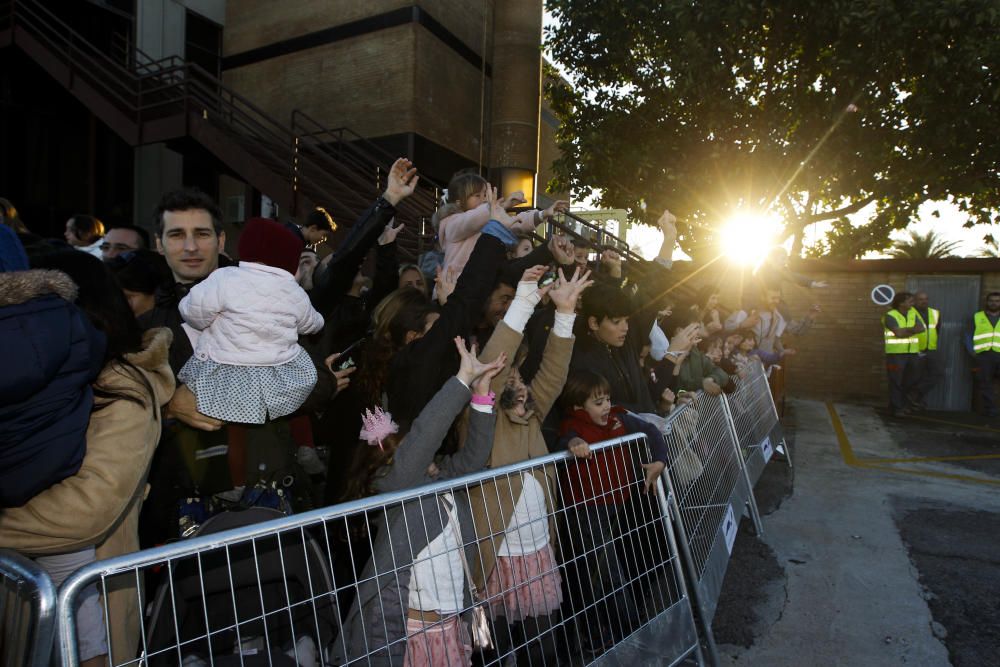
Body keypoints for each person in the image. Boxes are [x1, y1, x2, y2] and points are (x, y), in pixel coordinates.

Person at [1, 247, 174, 664]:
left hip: (90, 605)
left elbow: (85, 512)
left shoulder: (125, 389)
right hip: (28, 606)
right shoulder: (44, 385)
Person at [333, 338, 505, 667]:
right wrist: (460, 382)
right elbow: (424, 437)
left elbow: (474, 458)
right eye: (411, 452)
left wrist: (481, 394)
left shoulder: (439, 478)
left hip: (452, 622)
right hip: (414, 629)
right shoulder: (394, 487)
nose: (424, 456)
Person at [468, 265, 593, 665]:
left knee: (542, 645)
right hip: (493, 559)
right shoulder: (477, 421)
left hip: (536, 553)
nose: (517, 382)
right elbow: (494, 364)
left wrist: (565, 313)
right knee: (497, 649)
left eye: (520, 372)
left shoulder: (532, 413)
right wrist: (522, 304)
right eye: (508, 376)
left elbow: (554, 374)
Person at [557, 369, 670, 653]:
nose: (606, 406)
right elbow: (566, 440)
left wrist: (659, 461)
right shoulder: (572, 426)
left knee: (604, 572)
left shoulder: (620, 417)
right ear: (578, 406)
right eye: (598, 402)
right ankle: (633, 631)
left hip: (618, 506)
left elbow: (651, 430)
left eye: (607, 399)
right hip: (587, 512)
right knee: (606, 574)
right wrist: (574, 445)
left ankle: (605, 631)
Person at [177, 217, 324, 424]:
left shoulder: (224, 277)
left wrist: (207, 323)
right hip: (276, 372)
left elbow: (192, 312)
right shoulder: (294, 292)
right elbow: (313, 324)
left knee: (212, 407)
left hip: (223, 367)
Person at [432, 170, 567, 280]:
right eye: (477, 195)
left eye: (485, 194)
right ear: (458, 202)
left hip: (479, 285)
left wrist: (543, 214)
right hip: (452, 288)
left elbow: (515, 222)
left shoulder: (485, 218)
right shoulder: (451, 223)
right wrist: (500, 206)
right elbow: (470, 220)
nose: (484, 199)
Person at [883, 291, 923, 417]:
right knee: (896, 381)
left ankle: (901, 406)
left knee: (911, 380)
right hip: (896, 354)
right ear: (901, 303)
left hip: (912, 353)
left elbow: (921, 328)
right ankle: (897, 408)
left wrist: (905, 330)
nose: (913, 303)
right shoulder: (890, 315)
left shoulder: (913, 313)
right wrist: (912, 330)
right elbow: (898, 334)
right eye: (910, 301)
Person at [966, 292, 1000, 417]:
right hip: (984, 356)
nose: (994, 303)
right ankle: (991, 410)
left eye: (997, 301)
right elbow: (968, 335)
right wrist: (973, 352)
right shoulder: (977, 317)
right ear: (987, 302)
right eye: (991, 300)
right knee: (985, 383)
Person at [909, 291, 942, 409]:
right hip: (915, 349)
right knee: (915, 376)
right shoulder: (909, 312)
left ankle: (914, 393)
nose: (924, 301)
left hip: (931, 349)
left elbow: (937, 330)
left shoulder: (935, 313)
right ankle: (913, 403)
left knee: (937, 373)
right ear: (915, 301)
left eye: (926, 299)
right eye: (920, 299)